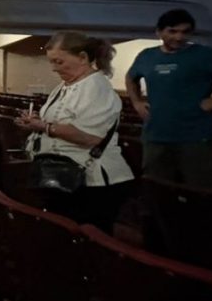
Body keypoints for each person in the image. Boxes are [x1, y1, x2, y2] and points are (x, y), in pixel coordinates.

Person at [17, 32, 133, 232]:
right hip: (63, 176)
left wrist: (43, 127)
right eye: (52, 62)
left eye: (59, 62)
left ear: (82, 57)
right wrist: (36, 122)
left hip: (92, 181)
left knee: (89, 237)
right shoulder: (66, 85)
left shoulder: (96, 86)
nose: (54, 68)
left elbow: (89, 137)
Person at [125, 8, 212, 189]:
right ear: (159, 32)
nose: (179, 37)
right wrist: (136, 101)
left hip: (196, 138)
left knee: (199, 192)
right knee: (157, 190)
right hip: (156, 136)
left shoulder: (205, 55)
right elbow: (131, 78)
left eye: (185, 32)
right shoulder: (147, 56)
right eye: (172, 31)